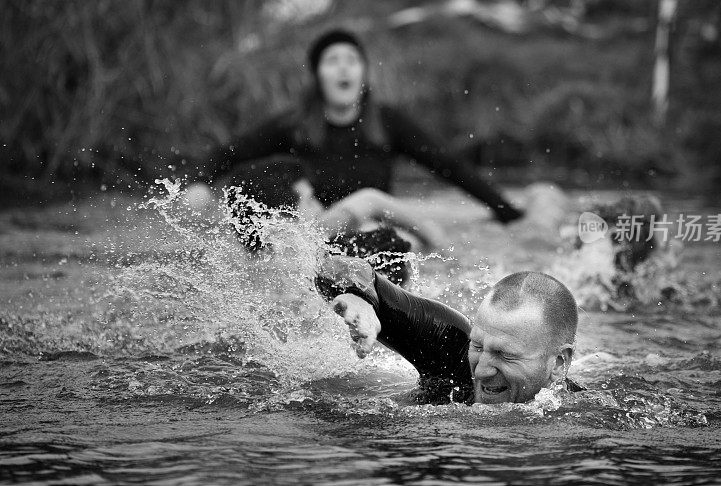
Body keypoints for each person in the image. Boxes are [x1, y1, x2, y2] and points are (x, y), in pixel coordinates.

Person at [187, 28, 524, 224]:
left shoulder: (389, 123)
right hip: (318, 230)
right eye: (332, 62)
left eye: (352, 61)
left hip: (370, 229)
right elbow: (231, 152)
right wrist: (201, 183)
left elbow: (448, 165)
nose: (343, 70)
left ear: (363, 74)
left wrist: (505, 211)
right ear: (318, 76)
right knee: (253, 179)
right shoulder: (294, 124)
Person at [315, 255, 581, 404]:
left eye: (505, 354)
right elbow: (338, 266)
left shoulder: (587, 414)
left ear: (558, 363)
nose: (481, 370)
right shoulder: (452, 347)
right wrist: (359, 298)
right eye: (478, 346)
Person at [223, 156, 442, 285]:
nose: (319, 207)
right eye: (309, 201)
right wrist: (443, 246)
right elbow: (370, 198)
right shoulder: (317, 249)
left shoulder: (250, 272)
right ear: (279, 221)